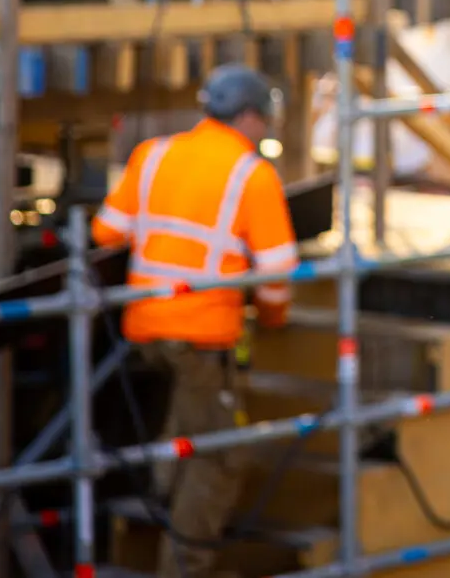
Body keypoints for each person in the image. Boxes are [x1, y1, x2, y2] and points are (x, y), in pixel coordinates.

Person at [92, 64, 299, 578]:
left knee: (188, 427)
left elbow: (106, 232)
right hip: (203, 336)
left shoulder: (153, 154)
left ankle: (162, 501)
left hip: (145, 327)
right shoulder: (252, 174)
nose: (266, 130)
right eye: (264, 120)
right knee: (221, 457)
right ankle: (185, 568)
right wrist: (273, 316)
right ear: (249, 116)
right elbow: (276, 272)